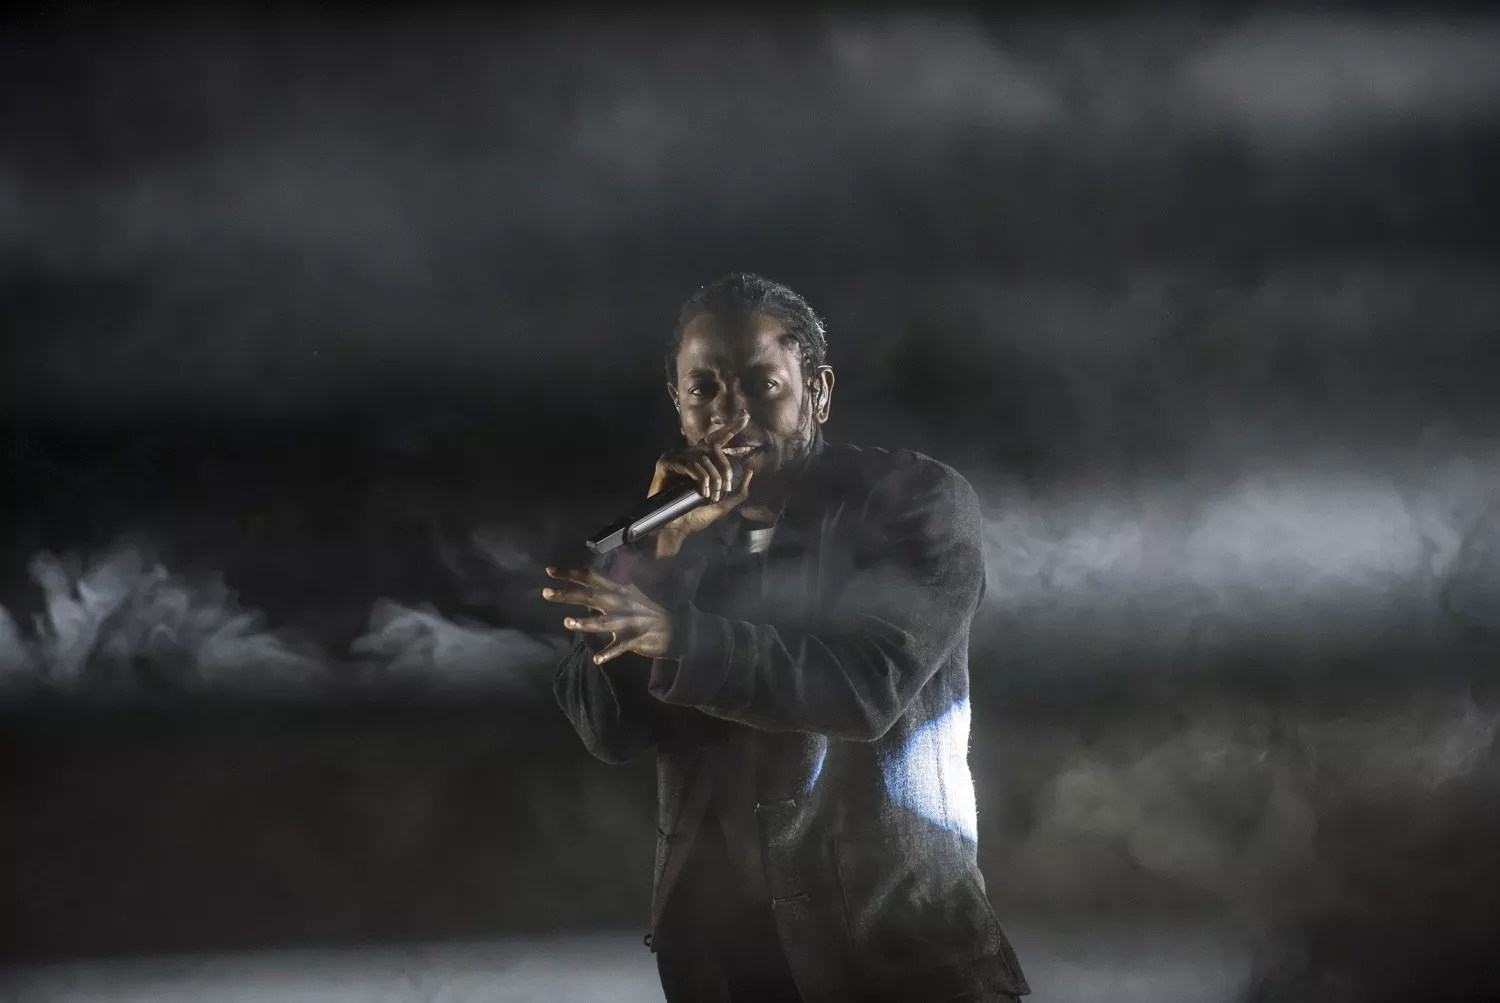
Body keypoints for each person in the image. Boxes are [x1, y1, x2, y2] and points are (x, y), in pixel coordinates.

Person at [546, 273, 1029, 1003]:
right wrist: (661, 555)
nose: (730, 413)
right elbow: (607, 730)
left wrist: (681, 638)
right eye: (704, 389)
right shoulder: (667, 535)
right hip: (726, 969)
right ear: (677, 401)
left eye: (761, 384)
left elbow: (865, 689)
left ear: (818, 392)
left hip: (901, 959)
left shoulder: (915, 502)